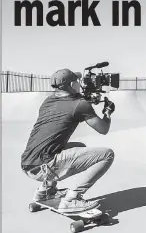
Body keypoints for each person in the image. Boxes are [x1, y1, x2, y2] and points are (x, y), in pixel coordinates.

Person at [20, 68, 116, 213]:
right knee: (107, 154)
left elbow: (68, 106)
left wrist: (86, 101)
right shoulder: (80, 104)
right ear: (72, 85)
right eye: (77, 81)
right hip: (44, 168)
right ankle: (72, 199)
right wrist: (107, 113)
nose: (80, 83)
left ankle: (45, 192)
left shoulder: (48, 101)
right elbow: (103, 129)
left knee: (79, 146)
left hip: (28, 163)